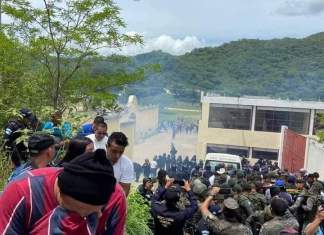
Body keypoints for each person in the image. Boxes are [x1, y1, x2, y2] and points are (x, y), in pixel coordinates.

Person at [0, 149, 126, 235]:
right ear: (61, 197)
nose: (99, 215)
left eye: (101, 208)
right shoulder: (21, 191)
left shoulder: (114, 196)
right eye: (87, 213)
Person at [106, 132, 134, 196]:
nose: (117, 156)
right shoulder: (96, 159)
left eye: (121, 152)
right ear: (107, 147)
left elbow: (124, 192)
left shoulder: (127, 164)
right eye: (114, 151)